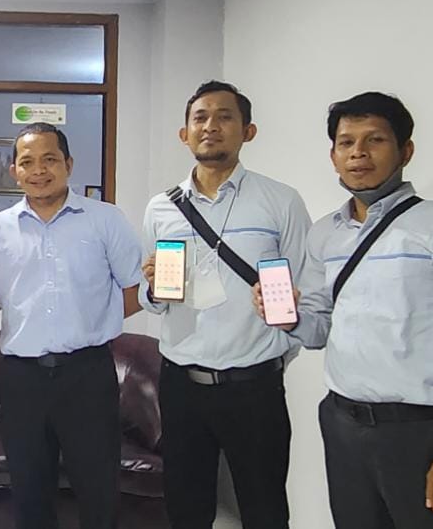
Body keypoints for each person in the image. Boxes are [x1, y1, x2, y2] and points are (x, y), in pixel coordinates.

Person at [254, 92, 433, 528]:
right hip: (342, 424)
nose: (358, 153)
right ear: (333, 156)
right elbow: (319, 329)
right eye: (346, 143)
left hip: (419, 430)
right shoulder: (325, 234)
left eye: (375, 140)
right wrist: (289, 317)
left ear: (406, 151)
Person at [0, 123, 143, 529]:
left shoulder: (105, 220)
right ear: (14, 171)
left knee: (98, 491)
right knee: (30, 494)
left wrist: (94, 319)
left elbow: (134, 290)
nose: (38, 170)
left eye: (49, 159)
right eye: (27, 162)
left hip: (88, 375)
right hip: (23, 380)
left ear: (68, 164)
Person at [139, 81, 310, 529]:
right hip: (181, 383)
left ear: (248, 131)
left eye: (224, 117)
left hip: (254, 386)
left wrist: (275, 352)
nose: (210, 126)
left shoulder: (281, 201)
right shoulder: (161, 207)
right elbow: (150, 300)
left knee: (264, 509)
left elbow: (303, 291)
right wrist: (154, 289)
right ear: (185, 134)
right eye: (200, 118)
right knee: (186, 509)